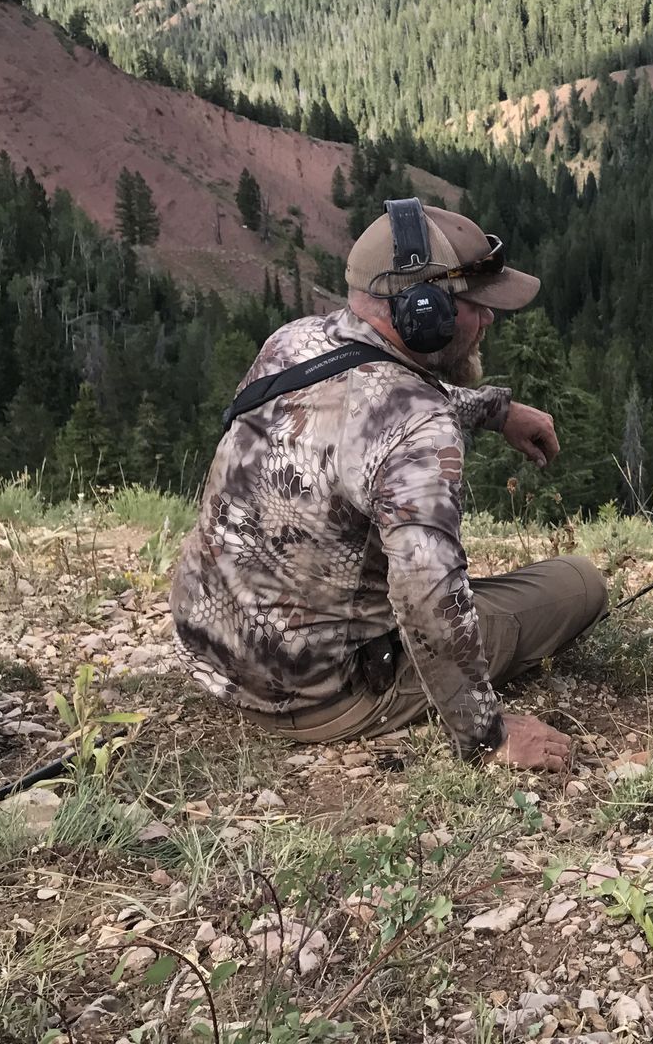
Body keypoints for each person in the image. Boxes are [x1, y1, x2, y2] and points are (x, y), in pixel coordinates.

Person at [171, 199, 606, 772]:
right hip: (317, 694)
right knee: (579, 583)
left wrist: (495, 410)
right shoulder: (421, 426)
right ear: (425, 313)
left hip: (214, 656)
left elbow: (368, 399)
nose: (490, 320)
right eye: (477, 305)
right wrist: (487, 734)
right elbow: (426, 594)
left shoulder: (294, 342)